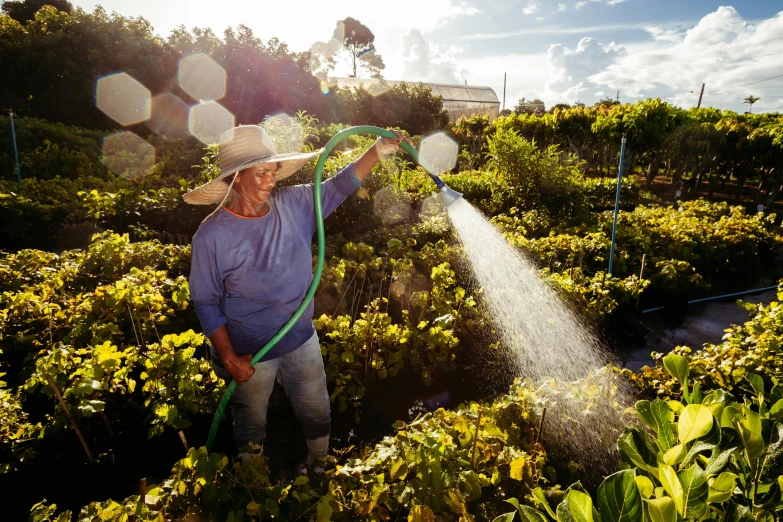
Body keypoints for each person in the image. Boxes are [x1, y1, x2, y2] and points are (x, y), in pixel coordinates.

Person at [185, 124, 410, 469]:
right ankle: (253, 478)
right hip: (250, 350)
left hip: (300, 337)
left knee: (316, 408)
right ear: (236, 178)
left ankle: (319, 463)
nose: (270, 180)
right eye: (260, 173)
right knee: (251, 420)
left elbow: (339, 184)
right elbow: (205, 301)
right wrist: (229, 355)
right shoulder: (211, 236)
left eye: (272, 171)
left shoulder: (295, 203)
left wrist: (377, 151)